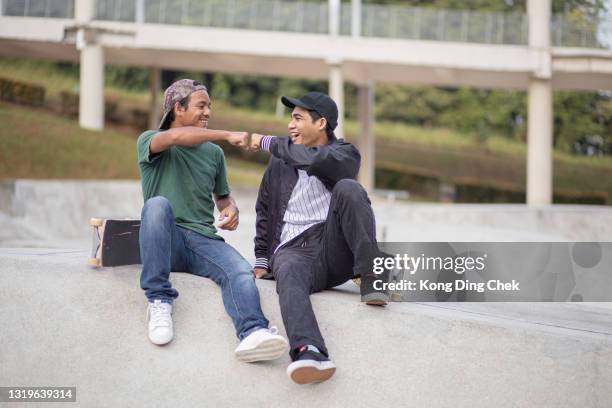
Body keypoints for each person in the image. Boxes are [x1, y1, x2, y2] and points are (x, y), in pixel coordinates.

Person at [136, 79, 288, 363]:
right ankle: (158, 300)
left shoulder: (214, 154)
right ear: (178, 108)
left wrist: (230, 209)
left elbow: (222, 197)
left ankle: (253, 332)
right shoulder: (151, 140)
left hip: (202, 241)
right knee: (156, 206)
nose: (208, 112)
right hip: (164, 240)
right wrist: (227, 134)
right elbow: (176, 138)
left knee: (240, 270)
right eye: (201, 106)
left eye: (209, 106)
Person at [248, 92, 389, 384]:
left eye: (298, 118)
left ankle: (372, 275)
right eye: (291, 118)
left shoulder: (345, 153)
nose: (290, 125)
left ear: (321, 123)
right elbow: (264, 207)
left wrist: (266, 142)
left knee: (350, 189)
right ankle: (309, 352)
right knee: (285, 269)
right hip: (293, 251)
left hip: (330, 247)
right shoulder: (280, 160)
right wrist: (262, 258)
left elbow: (316, 160)